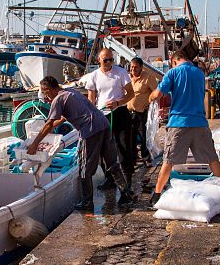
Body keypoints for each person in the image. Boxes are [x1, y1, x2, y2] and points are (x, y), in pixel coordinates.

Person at [27, 76, 134, 210]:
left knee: (84, 168)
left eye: (45, 93)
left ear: (48, 89)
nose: (46, 97)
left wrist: (35, 143)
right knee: (112, 163)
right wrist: (51, 129)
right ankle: (126, 194)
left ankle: (87, 202)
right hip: (103, 124)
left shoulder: (58, 99)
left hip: (90, 130)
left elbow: (48, 124)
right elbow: (62, 118)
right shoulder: (71, 92)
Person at [148, 50, 220, 206]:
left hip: (179, 124)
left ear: (174, 61)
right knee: (213, 160)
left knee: (169, 161)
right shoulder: (199, 74)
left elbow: (158, 94)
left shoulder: (172, 73)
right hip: (200, 123)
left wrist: (150, 96)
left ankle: (157, 195)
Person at [84, 48, 135, 192]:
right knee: (104, 148)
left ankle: (128, 179)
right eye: (105, 60)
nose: (108, 62)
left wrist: (118, 103)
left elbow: (131, 93)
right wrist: (91, 116)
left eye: (111, 59)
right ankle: (109, 178)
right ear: (98, 60)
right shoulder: (93, 76)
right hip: (102, 114)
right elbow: (91, 99)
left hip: (119, 112)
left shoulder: (121, 72)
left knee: (123, 146)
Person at [127, 57, 158, 167]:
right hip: (129, 111)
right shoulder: (127, 77)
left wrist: (149, 103)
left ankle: (146, 158)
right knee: (130, 136)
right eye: (131, 67)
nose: (133, 69)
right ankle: (133, 158)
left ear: (141, 67)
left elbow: (156, 92)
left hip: (142, 112)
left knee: (144, 135)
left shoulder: (148, 77)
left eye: (135, 67)